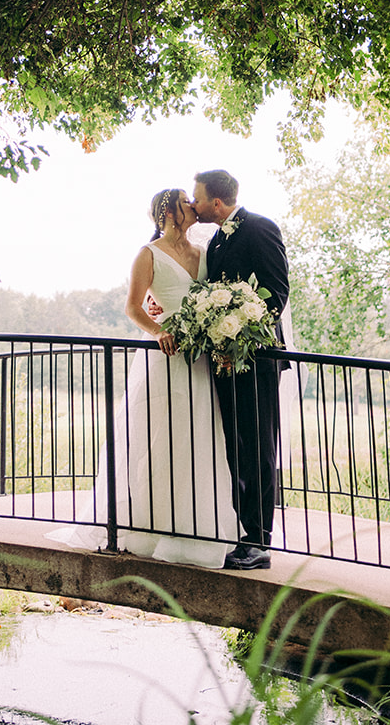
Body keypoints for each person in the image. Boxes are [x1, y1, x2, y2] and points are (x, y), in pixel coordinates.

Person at [52, 188, 238, 568]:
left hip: (199, 356)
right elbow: (133, 307)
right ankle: (151, 524)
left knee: (200, 435)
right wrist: (158, 331)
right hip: (164, 356)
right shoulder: (148, 254)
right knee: (159, 436)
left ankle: (201, 525)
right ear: (170, 211)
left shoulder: (203, 254)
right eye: (186, 200)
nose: (192, 205)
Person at [192, 168, 290, 571]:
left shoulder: (260, 228)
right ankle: (243, 534)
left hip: (257, 360)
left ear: (216, 202)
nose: (192, 205)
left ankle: (260, 543)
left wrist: (239, 342)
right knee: (237, 449)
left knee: (260, 451)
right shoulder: (214, 240)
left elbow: (276, 293)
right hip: (226, 364)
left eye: (197, 197)